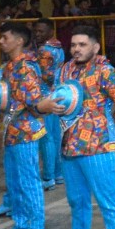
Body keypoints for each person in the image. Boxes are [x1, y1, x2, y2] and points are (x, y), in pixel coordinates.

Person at [38, 26, 115, 229]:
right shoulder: (65, 70)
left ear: (95, 47)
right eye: (73, 45)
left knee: (108, 203)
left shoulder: (105, 72)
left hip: (98, 149)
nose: (77, 49)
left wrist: (102, 126)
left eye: (82, 44)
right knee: (77, 202)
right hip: (69, 147)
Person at [0, 21, 48, 229]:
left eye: (5, 37)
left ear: (19, 41)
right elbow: (6, 97)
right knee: (14, 180)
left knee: (29, 181)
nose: (0, 41)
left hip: (25, 132)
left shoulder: (25, 68)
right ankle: (21, 225)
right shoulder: (10, 67)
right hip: (12, 130)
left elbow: (35, 102)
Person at [31, 18, 67, 190]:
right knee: (55, 135)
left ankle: (48, 176)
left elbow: (46, 75)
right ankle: (58, 173)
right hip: (57, 93)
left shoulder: (44, 50)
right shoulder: (58, 47)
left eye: (41, 31)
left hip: (45, 96)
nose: (37, 34)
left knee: (46, 137)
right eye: (36, 31)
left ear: (50, 31)